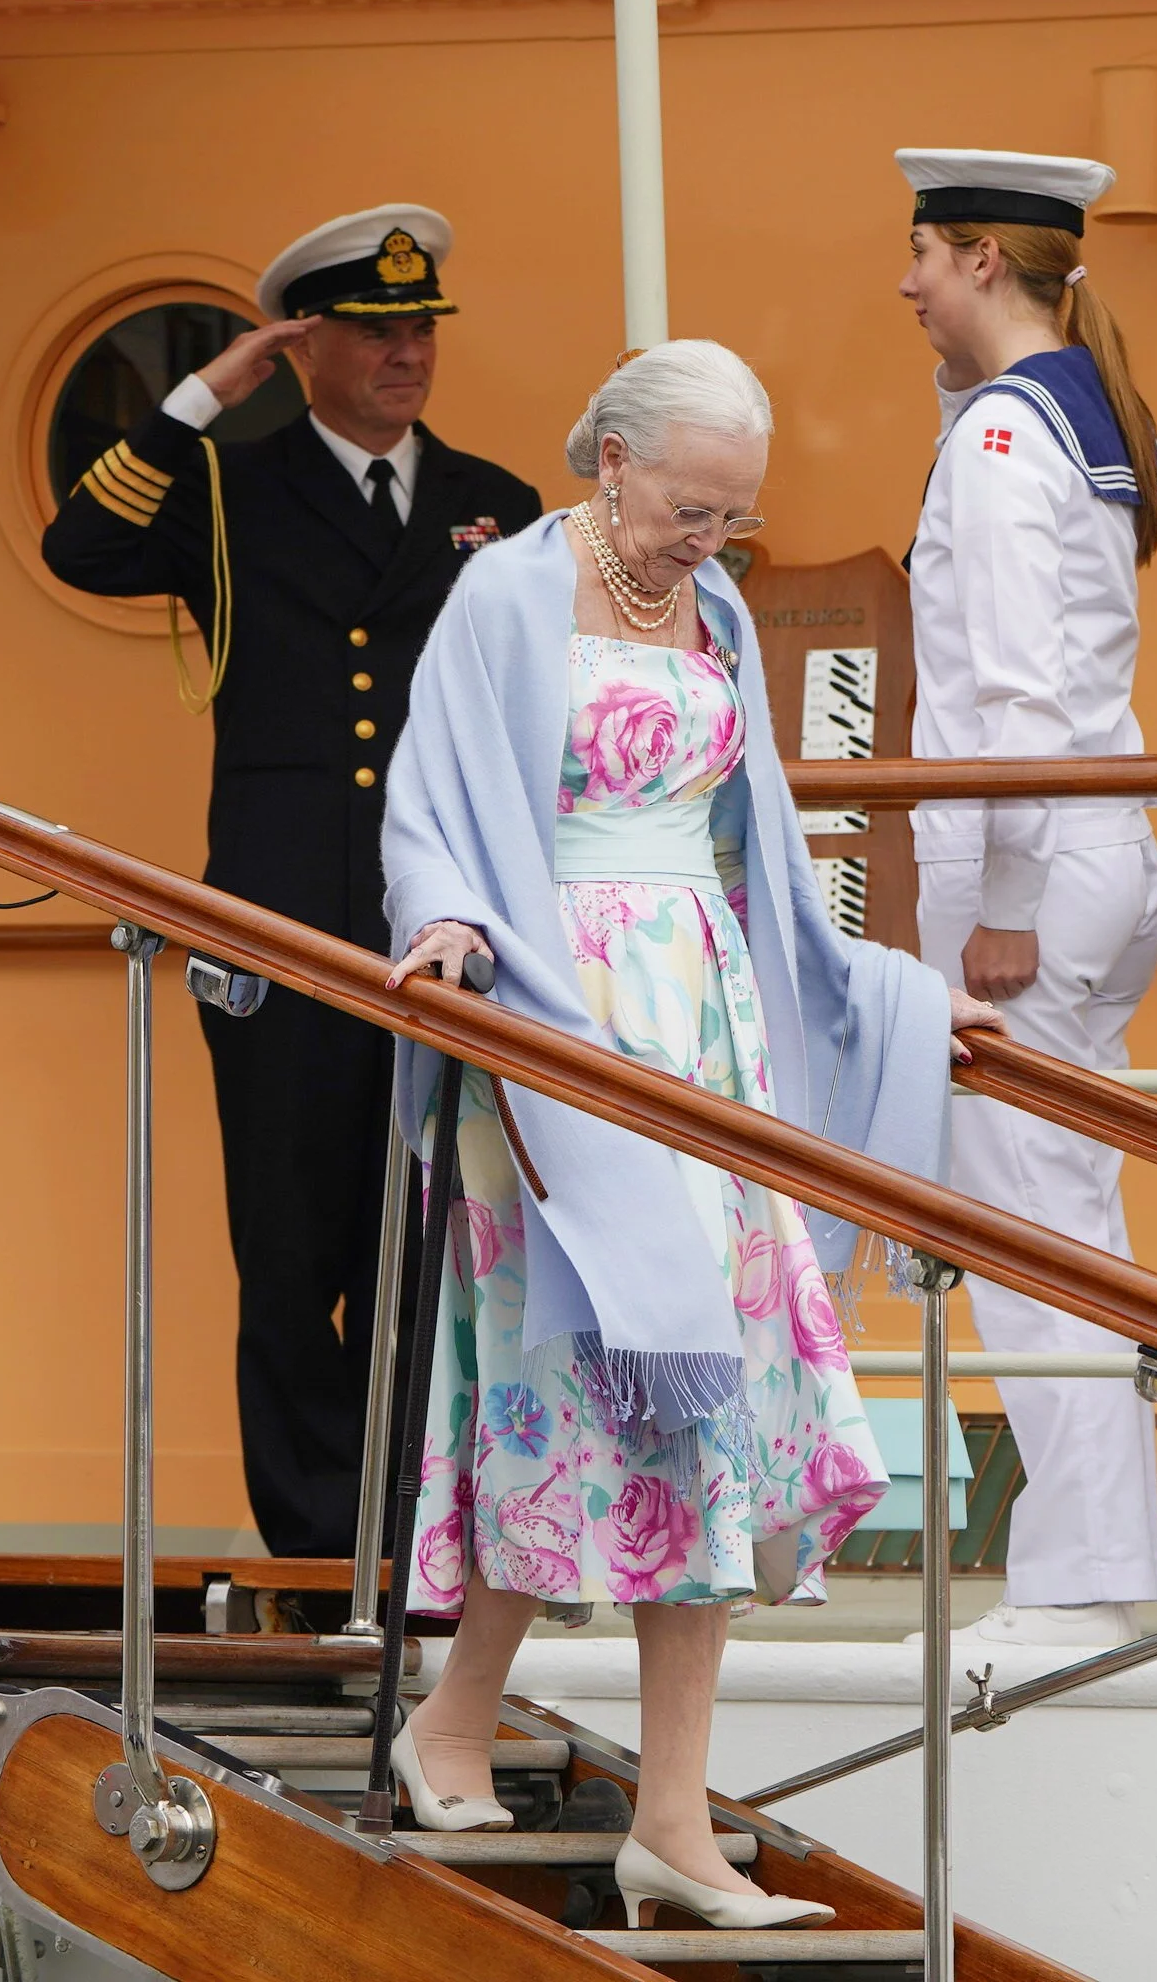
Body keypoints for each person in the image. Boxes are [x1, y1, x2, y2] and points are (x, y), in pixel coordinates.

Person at [381, 340, 1000, 1921]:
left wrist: (898, 997)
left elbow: (765, 859)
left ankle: (669, 1814)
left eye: (732, 515)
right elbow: (429, 806)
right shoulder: (505, 599)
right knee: (572, 1375)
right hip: (551, 1013)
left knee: (703, 1394)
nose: (708, 540)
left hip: (701, 1020)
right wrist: (447, 924)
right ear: (609, 462)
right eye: (688, 506)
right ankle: (454, 1714)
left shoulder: (714, 610)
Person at [43, 205, 542, 1557]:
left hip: (440, 929)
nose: (407, 354)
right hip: (273, 921)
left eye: (421, 328)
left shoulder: (492, 504)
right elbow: (76, 549)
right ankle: (320, 1549)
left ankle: (409, 1529)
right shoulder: (228, 485)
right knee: (290, 1248)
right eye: (375, 331)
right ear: (304, 341)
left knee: (420, 1242)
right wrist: (207, 390)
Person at [895, 148, 1157, 1649]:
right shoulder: (1081, 410)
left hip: (1031, 875)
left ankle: (1078, 1586)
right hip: (1106, 850)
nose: (909, 283)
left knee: (1022, 1219)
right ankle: (1099, 1559)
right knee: (1069, 1208)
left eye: (927, 255)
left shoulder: (1007, 437)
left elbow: (1006, 685)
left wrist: (997, 897)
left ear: (984, 263)